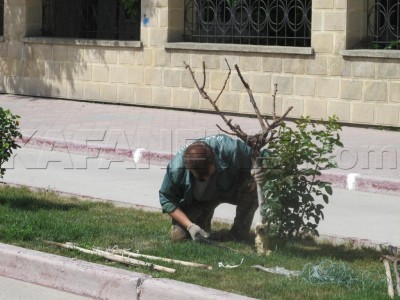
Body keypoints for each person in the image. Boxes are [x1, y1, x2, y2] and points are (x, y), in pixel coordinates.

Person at [159, 134, 263, 242]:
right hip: (198, 200)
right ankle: (203, 223)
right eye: (201, 178)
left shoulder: (232, 150)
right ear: (189, 168)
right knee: (179, 236)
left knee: (253, 187)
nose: (206, 178)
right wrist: (190, 226)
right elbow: (166, 199)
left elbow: (265, 157)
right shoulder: (176, 169)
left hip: (230, 189)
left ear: (214, 158)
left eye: (209, 173)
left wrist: (261, 169)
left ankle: (239, 233)